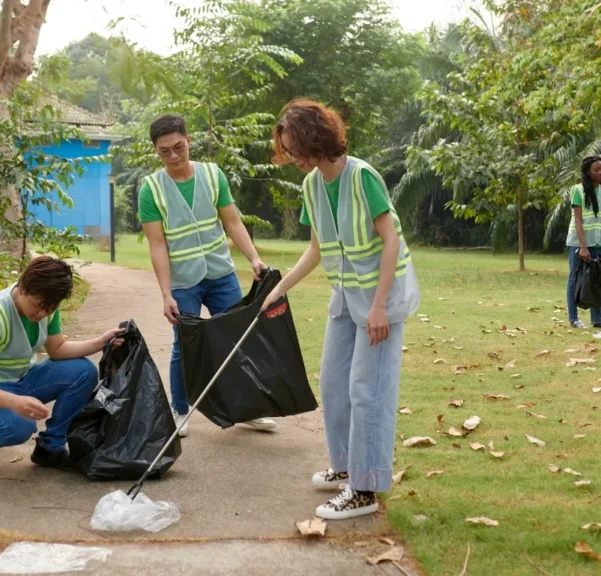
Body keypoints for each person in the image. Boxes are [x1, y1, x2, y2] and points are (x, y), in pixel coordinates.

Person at [261, 99, 420, 520]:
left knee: (367, 390)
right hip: (346, 298)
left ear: (316, 138)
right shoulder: (312, 185)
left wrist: (380, 307)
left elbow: (390, 241)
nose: (291, 155)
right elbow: (316, 249)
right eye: (287, 148)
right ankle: (346, 467)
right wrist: (279, 289)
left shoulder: (362, 177)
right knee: (333, 383)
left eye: (295, 146)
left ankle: (364, 490)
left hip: (380, 301)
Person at [138, 114, 277, 436]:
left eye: (178, 147)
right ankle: (179, 410)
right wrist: (166, 293)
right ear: (156, 151)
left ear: (189, 140)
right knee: (185, 346)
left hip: (220, 274)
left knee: (236, 340)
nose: (173, 156)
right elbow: (157, 245)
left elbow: (233, 222)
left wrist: (254, 258)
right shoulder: (151, 189)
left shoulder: (213, 175)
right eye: (164, 151)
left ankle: (248, 408)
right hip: (183, 281)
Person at [0, 256, 124, 476]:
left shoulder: (47, 305)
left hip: (21, 379)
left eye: (50, 308)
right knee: (21, 426)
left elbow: (57, 349)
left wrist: (100, 342)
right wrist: (15, 402)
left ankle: (50, 448)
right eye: (39, 306)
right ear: (22, 288)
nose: (43, 314)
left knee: (84, 372)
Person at [565, 155, 601, 330]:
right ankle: (574, 319)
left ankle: (597, 320)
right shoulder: (577, 190)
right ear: (588, 172)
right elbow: (578, 219)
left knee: (597, 280)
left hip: (598, 243)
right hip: (579, 243)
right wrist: (583, 246)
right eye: (596, 170)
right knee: (575, 279)